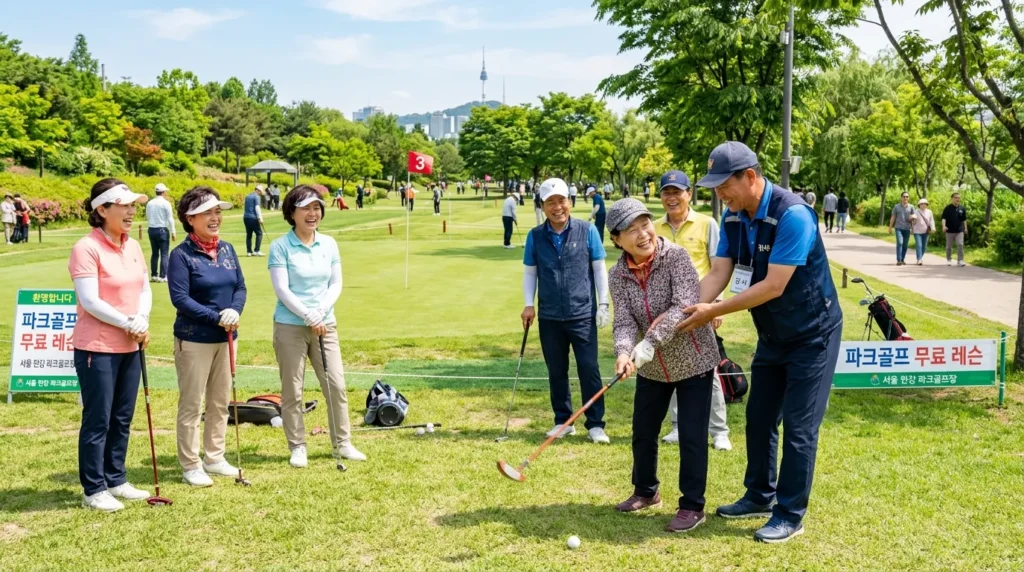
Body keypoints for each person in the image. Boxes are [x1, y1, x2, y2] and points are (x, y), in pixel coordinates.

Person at [677, 141, 843, 543]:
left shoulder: (794, 215)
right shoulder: (734, 218)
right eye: (714, 186)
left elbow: (773, 285)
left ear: (750, 177)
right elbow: (720, 272)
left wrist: (713, 312)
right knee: (759, 418)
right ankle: (759, 495)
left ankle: (789, 514)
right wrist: (689, 308)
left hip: (813, 335)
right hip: (773, 334)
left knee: (800, 429)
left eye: (724, 185)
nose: (719, 194)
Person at [606, 198, 721, 533]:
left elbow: (683, 306)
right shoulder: (617, 275)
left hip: (693, 359)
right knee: (643, 430)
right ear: (617, 239)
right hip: (652, 367)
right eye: (632, 230)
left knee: (692, 435)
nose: (643, 234)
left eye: (645, 224)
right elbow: (624, 321)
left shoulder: (676, 257)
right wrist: (625, 352)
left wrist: (649, 343)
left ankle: (692, 506)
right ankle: (645, 490)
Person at [69, 178, 153, 512]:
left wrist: (143, 317)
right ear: (102, 209)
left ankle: (116, 478)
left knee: (122, 417)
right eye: (125, 205)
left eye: (134, 205)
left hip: (130, 346)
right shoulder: (86, 247)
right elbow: (89, 300)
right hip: (97, 347)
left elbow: (144, 287)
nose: (132, 211)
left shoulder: (132, 245)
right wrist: (127, 322)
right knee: (98, 419)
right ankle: (94, 488)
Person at [269, 185, 366, 468]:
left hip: (326, 324)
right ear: (292, 213)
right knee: (293, 389)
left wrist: (321, 311)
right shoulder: (280, 246)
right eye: (306, 208)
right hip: (290, 325)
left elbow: (335, 283)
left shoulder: (329, 244)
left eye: (316, 208)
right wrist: (308, 315)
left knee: (335, 384)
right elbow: (282, 290)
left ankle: (343, 442)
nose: (313, 214)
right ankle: (298, 446)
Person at [167, 187, 246, 487]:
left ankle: (214, 457)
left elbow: (240, 286)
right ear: (190, 218)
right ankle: (190, 464)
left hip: (227, 337)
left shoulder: (226, 249)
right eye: (208, 213)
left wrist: (235, 311)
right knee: (191, 403)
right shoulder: (181, 255)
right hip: (194, 339)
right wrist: (216, 317)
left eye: (218, 212)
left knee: (219, 401)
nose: (215, 218)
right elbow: (180, 299)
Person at [522, 178, 611, 444]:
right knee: (556, 371)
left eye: (562, 200)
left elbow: (598, 268)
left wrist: (603, 303)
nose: (557, 207)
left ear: (570, 202)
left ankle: (595, 424)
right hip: (549, 315)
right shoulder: (535, 236)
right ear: (543, 205)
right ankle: (563, 421)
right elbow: (530, 272)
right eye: (551, 202)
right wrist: (529, 303)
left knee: (589, 368)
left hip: (582, 313)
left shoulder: (588, 230)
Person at [653, 170, 731, 451]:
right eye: (666, 192)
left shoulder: (707, 223)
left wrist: (715, 305)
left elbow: (719, 265)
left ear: (689, 194)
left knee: (706, 369)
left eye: (677, 192)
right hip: (666, 311)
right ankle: (677, 426)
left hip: (699, 306)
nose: (672, 198)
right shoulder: (654, 227)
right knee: (671, 367)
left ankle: (719, 430)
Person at [146, 183, 176, 283]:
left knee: (155, 253)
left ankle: (154, 275)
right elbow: (170, 218)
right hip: (162, 230)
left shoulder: (150, 203)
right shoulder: (165, 203)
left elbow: (148, 216)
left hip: (151, 229)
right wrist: (173, 231)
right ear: (163, 192)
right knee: (164, 253)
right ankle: (163, 276)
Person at [942, 192, 968, 267]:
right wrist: (944, 226)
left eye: (958, 198)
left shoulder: (962, 208)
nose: (957, 199)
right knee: (949, 246)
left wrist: (965, 228)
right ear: (952, 199)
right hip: (949, 230)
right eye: (956, 198)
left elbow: (964, 219)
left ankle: (960, 260)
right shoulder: (947, 208)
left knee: (960, 244)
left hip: (959, 231)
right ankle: (949, 259)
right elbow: (944, 218)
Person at [888, 192, 914, 266]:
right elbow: (893, 217)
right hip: (898, 227)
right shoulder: (896, 207)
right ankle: (898, 260)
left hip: (907, 228)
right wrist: (890, 227)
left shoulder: (911, 207)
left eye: (907, 196)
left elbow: (913, 218)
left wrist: (913, 228)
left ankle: (902, 259)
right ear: (901, 198)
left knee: (905, 245)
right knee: (900, 243)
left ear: (908, 198)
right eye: (904, 196)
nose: (905, 198)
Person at [911, 198, 936, 266]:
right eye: (922, 204)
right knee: (919, 245)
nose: (923, 205)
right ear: (919, 205)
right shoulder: (916, 211)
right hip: (917, 231)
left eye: (925, 204)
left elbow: (931, 220)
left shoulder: (929, 212)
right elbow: (913, 220)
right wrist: (913, 217)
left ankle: (920, 257)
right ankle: (919, 259)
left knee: (924, 247)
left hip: (925, 231)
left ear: (926, 205)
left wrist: (933, 228)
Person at [243, 185, 265, 257]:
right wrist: (260, 218)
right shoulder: (256, 197)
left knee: (249, 235)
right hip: (253, 218)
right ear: (258, 190)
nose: (260, 194)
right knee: (259, 234)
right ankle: (257, 251)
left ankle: (249, 252)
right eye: (260, 192)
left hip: (246, 218)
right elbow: (257, 207)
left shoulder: (247, 196)